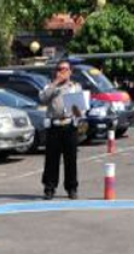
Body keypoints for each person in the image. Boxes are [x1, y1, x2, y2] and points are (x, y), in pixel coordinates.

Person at [40, 61, 83, 200]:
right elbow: (42, 98)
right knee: (52, 159)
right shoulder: (50, 86)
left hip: (69, 125)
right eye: (60, 69)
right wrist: (56, 82)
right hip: (54, 126)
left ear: (70, 72)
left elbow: (79, 110)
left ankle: (72, 188)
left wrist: (78, 111)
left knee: (71, 159)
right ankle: (49, 188)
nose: (63, 71)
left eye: (65, 69)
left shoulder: (75, 87)